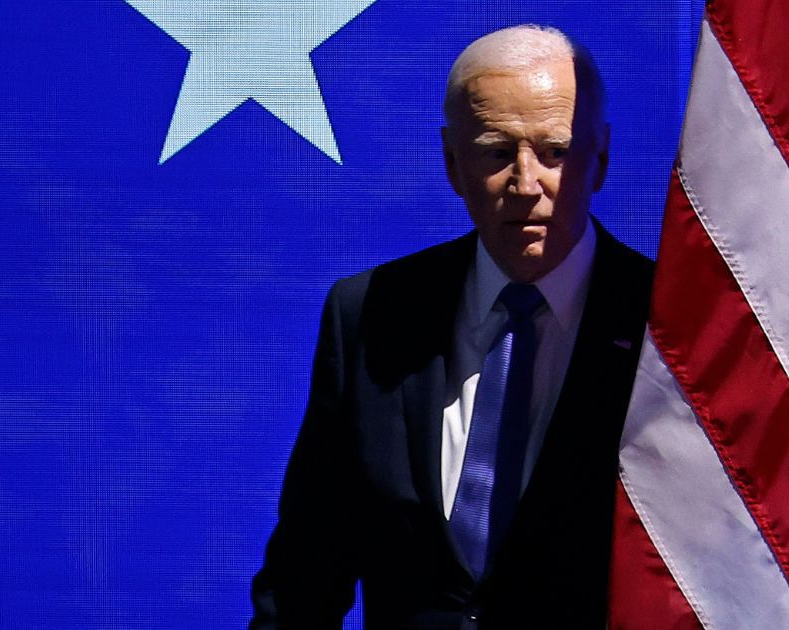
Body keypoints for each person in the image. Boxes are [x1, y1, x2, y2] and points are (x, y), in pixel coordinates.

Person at [250, 24, 653, 629]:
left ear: (600, 160)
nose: (526, 184)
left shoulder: (664, 326)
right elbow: (306, 573)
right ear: (451, 163)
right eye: (496, 152)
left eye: (555, 152)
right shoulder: (369, 314)